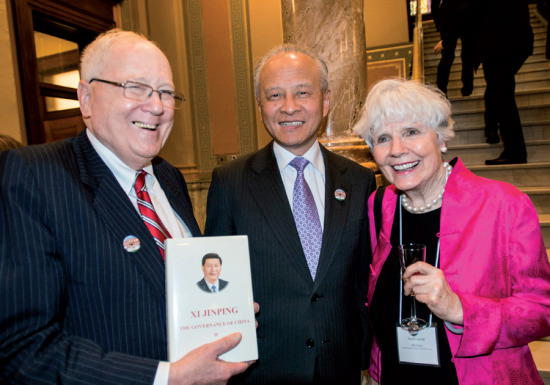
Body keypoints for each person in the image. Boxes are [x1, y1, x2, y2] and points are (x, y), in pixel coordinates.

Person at [0, 29, 254, 385]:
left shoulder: (168, 179)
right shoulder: (34, 177)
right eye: (136, 87)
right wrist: (167, 377)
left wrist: (224, 316)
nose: (156, 106)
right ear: (86, 98)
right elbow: (22, 350)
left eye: (166, 92)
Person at [353, 77, 550, 385]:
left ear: (441, 139)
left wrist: (459, 309)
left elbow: (542, 311)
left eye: (412, 132)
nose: (397, 150)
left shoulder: (504, 205)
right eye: (382, 139)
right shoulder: (379, 206)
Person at [204, 44, 376, 384]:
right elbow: (216, 283)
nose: (289, 108)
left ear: (325, 101)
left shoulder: (358, 180)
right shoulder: (230, 183)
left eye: (302, 92)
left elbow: (362, 281)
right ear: (260, 106)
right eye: (274, 96)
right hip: (261, 370)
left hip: (338, 367)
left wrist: (367, 357)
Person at [476, 0, 533, 162]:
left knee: (503, 99)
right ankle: (496, 133)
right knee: (498, 91)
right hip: (513, 43)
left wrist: (448, 40)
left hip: (500, 47)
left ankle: (515, 152)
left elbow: (469, 12)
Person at [431, 0, 477, 97]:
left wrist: (438, 22)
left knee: (448, 56)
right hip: (466, 17)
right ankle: (467, 89)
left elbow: (435, 3)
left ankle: (442, 91)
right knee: (467, 55)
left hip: (449, 15)